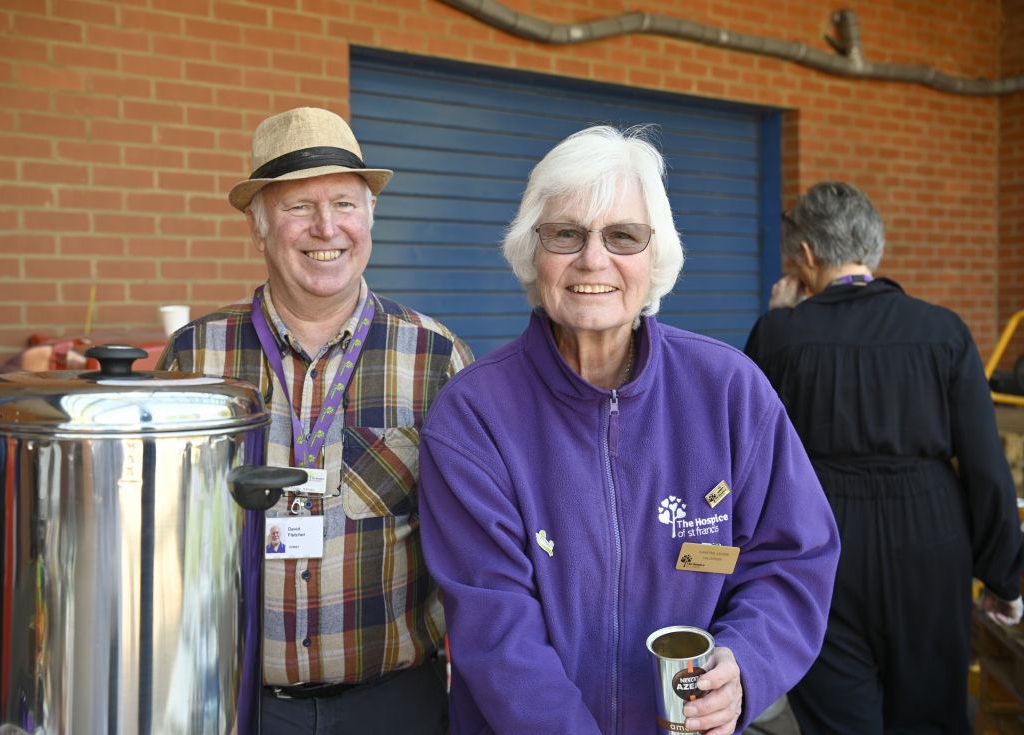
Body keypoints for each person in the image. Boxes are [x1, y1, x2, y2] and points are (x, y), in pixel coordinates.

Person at [416, 125, 841, 734]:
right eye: (566, 234)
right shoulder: (474, 416)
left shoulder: (729, 391)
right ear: (532, 255)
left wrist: (746, 664)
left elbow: (793, 556)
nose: (594, 259)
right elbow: (496, 627)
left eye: (622, 236)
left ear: (654, 256)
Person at [159, 107, 473, 734]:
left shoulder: (437, 357)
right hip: (236, 699)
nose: (326, 227)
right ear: (260, 226)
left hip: (394, 705)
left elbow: (476, 537)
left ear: (370, 218)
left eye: (345, 204)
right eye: (299, 206)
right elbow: (162, 530)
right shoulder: (195, 359)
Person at [744, 181, 1024, 734]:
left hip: (823, 541)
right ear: (872, 248)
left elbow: (750, 454)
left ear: (805, 255)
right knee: (933, 717)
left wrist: (779, 318)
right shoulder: (943, 330)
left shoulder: (780, 334)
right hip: (931, 540)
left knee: (839, 720)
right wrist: (1005, 576)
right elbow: (985, 463)